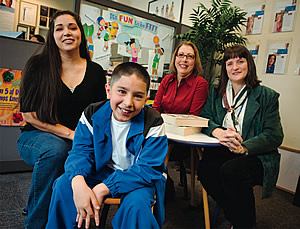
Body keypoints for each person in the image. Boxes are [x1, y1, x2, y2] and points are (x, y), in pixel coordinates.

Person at [46, 62, 168, 229]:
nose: (128, 102)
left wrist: (105, 188)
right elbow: (80, 151)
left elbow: (148, 169)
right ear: (108, 91)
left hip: (138, 178)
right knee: (64, 185)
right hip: (102, 171)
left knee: (137, 205)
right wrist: (78, 181)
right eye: (122, 92)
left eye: (138, 96)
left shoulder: (153, 122)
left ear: (146, 99)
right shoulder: (91, 113)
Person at [17, 10, 107, 228]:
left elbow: (100, 115)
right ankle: (35, 223)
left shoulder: (95, 71)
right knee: (57, 151)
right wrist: (70, 133)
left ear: (80, 33)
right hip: (36, 136)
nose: (66, 32)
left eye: (72, 27)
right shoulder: (37, 66)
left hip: (78, 140)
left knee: (87, 163)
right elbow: (29, 114)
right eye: (59, 28)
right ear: (52, 36)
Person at [198, 45, 283, 229]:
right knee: (206, 169)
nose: (235, 67)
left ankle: (244, 224)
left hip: (256, 155)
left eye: (240, 61)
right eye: (230, 63)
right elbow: (204, 118)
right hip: (225, 149)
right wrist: (217, 131)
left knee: (232, 171)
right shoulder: (216, 93)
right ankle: (235, 214)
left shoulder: (266, 96)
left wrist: (244, 147)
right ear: (225, 68)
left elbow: (274, 135)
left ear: (249, 65)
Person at [152, 41, 209, 164]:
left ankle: (161, 181)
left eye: (189, 56)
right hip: (160, 131)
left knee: (156, 150)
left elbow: (191, 117)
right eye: (181, 55)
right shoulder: (167, 80)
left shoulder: (200, 84)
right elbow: (156, 107)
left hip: (182, 139)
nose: (184, 59)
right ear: (175, 58)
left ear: (195, 61)